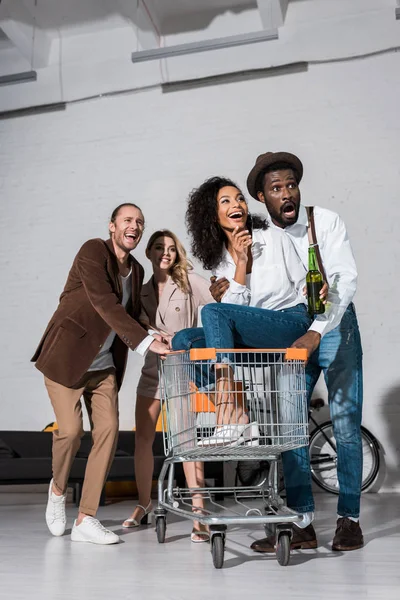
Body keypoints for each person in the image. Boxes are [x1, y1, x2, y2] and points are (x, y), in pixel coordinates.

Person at [213, 152, 363, 552]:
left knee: (346, 424)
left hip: (334, 329)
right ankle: (302, 522)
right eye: (276, 188)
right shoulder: (260, 240)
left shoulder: (324, 221)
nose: (286, 193)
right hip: (293, 334)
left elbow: (345, 280)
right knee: (292, 426)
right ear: (262, 197)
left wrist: (315, 331)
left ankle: (349, 518)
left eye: (290, 185)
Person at [32, 203, 169, 545]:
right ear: (112, 226)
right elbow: (104, 303)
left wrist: (154, 332)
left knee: (107, 432)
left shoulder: (136, 270)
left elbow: (131, 314)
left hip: (104, 365)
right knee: (72, 431)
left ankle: (85, 519)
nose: (134, 226)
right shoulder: (93, 251)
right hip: (67, 359)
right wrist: (146, 343)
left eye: (139, 222)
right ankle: (58, 490)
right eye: (127, 220)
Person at [172, 177, 325, 448]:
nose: (237, 204)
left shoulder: (273, 237)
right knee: (184, 340)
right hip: (255, 339)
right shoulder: (220, 261)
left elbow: (304, 284)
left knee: (212, 311)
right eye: (226, 201)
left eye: (239, 198)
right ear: (213, 214)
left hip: (291, 323)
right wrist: (241, 262)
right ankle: (239, 419)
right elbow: (234, 315)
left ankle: (225, 418)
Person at [122, 230, 214, 542]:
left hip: (182, 373)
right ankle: (143, 504)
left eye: (171, 248)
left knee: (187, 443)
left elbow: (218, 306)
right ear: (148, 251)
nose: (166, 253)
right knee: (143, 441)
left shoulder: (188, 282)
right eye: (160, 247)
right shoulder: (141, 290)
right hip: (151, 373)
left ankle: (199, 512)